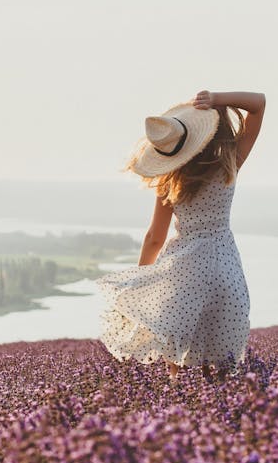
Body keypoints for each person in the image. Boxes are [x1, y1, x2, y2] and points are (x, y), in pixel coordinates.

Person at [98, 89, 266, 380]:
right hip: (225, 269)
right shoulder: (228, 165)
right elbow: (259, 104)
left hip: (183, 274)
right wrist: (217, 99)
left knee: (176, 361)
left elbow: (154, 238)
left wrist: (142, 282)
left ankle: (179, 409)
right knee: (222, 363)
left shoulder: (170, 183)